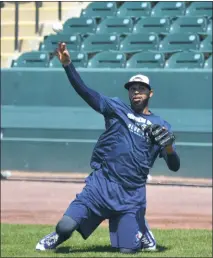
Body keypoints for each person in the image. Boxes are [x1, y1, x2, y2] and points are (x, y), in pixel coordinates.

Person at [36, 43, 180, 254]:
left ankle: (140, 226)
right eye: (132, 89)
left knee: (128, 251)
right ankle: (57, 236)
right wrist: (68, 66)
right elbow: (86, 92)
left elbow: (174, 166)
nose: (136, 92)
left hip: (131, 195)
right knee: (65, 226)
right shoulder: (116, 109)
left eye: (141, 88)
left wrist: (167, 147)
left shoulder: (162, 126)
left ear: (151, 93)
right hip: (101, 186)